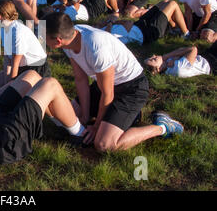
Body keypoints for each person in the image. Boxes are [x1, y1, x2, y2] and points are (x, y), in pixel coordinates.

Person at [43, 12, 184, 151]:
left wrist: (96, 127)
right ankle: (125, 118)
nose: (43, 40)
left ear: (58, 40)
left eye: (45, 37)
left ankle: (162, 126)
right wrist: (85, 117)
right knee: (68, 117)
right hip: (104, 84)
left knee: (104, 144)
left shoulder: (96, 47)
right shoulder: (70, 38)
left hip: (131, 88)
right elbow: (81, 80)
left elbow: (108, 93)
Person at [0, 0, 50, 88]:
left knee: (11, 95)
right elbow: (7, 59)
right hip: (21, 67)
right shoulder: (3, 28)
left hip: (35, 68)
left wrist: (10, 87)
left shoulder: (17, 32)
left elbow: (15, 63)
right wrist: (6, 82)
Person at [103, 0, 190, 45]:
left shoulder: (101, 30)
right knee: (172, 4)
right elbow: (128, 23)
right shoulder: (106, 38)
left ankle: (174, 29)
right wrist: (111, 23)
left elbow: (117, 18)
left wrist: (111, 22)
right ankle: (187, 34)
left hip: (139, 25)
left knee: (165, 2)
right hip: (147, 33)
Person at [144, 43, 216, 77]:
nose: (154, 56)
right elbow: (193, 49)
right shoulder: (177, 69)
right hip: (212, 64)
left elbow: (182, 50)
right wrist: (165, 56)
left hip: (205, 57)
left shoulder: (168, 64)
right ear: (158, 69)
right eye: (153, 60)